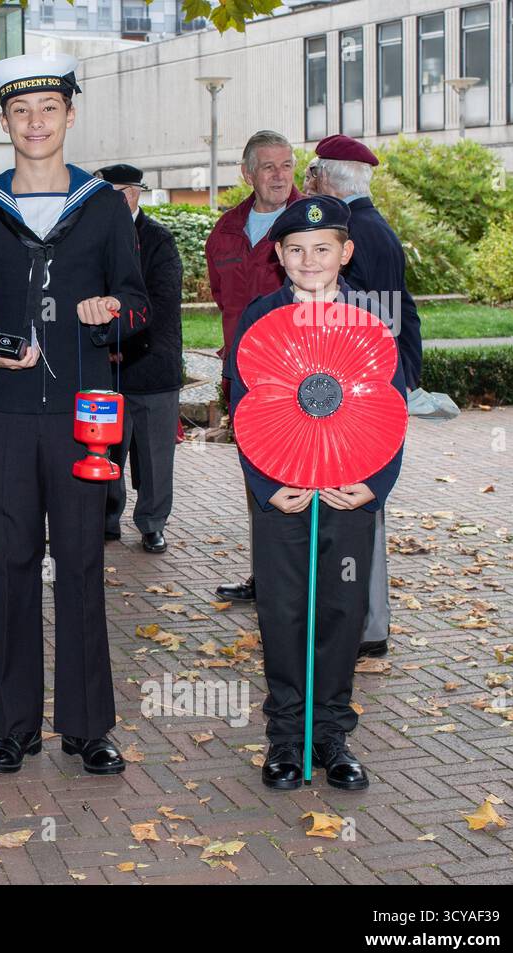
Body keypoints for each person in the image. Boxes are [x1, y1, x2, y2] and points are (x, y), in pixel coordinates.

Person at [0, 54, 150, 776]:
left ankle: (89, 727)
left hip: (81, 411)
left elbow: (139, 302)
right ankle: (14, 727)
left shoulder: (100, 205)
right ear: (5, 122)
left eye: (49, 110)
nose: (35, 122)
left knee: (84, 562)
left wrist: (111, 312)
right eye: (21, 112)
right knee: (15, 561)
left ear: (68, 116)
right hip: (5, 412)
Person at [225, 195, 406, 792]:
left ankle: (330, 734)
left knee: (340, 611)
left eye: (322, 249)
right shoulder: (259, 318)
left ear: (345, 253)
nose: (309, 260)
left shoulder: (369, 323)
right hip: (283, 496)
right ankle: (284, 739)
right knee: (282, 611)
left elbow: (391, 408)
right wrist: (266, 487)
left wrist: (373, 488)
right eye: (296, 249)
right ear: (279, 255)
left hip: (348, 493)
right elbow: (242, 407)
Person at [313, 134, 424, 661]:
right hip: (375, 385)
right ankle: (363, 622)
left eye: (313, 173)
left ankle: (365, 626)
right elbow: (404, 315)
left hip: (360, 389)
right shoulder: (374, 228)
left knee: (358, 508)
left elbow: (370, 324)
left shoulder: (355, 233)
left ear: (329, 178)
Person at [206, 129, 304, 604]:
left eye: (287, 165)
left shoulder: (312, 226)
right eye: (268, 166)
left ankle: (303, 579)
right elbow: (223, 299)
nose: (280, 175)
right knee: (258, 479)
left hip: (300, 379)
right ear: (247, 174)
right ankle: (267, 576)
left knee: (307, 475)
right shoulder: (225, 230)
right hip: (245, 379)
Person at [97, 163, 183, 554]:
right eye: (106, 192)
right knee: (104, 449)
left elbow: (161, 302)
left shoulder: (159, 240)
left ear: (136, 193)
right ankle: (106, 520)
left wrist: (121, 342)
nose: (113, 199)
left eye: (121, 191)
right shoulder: (92, 238)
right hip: (107, 368)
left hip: (151, 366)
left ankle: (152, 524)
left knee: (154, 455)